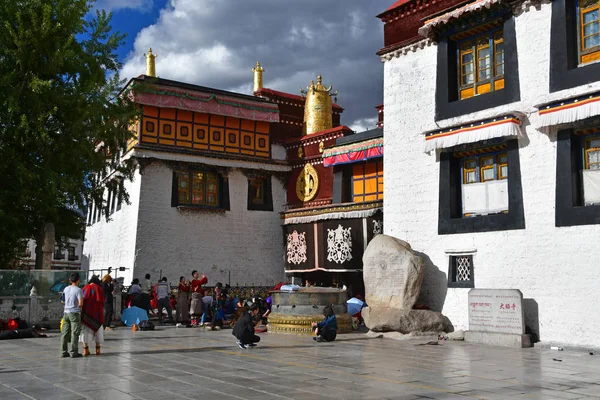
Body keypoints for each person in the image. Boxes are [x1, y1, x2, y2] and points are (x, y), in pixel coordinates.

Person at [80, 275, 105, 356]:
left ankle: (85, 350)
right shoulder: (99, 288)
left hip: (87, 313)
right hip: (97, 313)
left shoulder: (85, 288)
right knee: (98, 331)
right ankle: (97, 350)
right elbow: (102, 301)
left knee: (85, 332)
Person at [60, 272, 84, 358]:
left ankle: (63, 351)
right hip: (74, 313)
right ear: (78, 280)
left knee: (65, 333)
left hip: (66, 312)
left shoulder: (66, 289)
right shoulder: (78, 290)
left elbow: (62, 301)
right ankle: (74, 352)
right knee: (75, 333)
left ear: (70, 280)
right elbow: (81, 303)